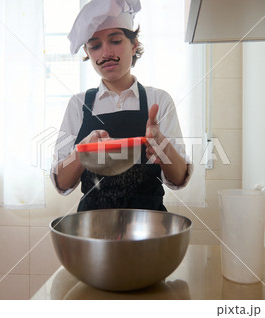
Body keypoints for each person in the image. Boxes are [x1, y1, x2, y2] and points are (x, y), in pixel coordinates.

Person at [51, 0, 192, 211]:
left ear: (134, 44)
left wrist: (160, 144)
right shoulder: (78, 105)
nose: (106, 53)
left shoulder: (159, 100)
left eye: (115, 40)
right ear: (87, 52)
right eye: (95, 45)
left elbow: (179, 178)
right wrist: (83, 151)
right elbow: (62, 183)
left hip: (148, 226)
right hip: (93, 228)